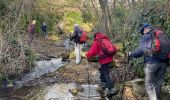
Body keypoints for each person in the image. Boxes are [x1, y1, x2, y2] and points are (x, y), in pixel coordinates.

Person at [128, 23, 169, 100]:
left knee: (149, 85)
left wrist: (131, 54)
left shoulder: (146, 36)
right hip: (164, 63)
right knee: (158, 84)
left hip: (152, 63)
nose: (142, 33)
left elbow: (141, 51)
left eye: (142, 32)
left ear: (145, 29)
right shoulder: (161, 34)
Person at [85, 32, 118, 96]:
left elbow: (92, 51)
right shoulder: (105, 39)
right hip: (110, 57)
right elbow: (113, 48)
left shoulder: (97, 41)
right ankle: (103, 83)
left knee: (105, 72)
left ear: (95, 37)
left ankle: (111, 88)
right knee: (103, 69)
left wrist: (87, 54)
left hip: (104, 59)